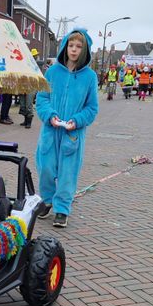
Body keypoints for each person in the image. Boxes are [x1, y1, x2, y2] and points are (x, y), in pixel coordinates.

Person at [35, 29, 99, 228]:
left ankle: (62, 208)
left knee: (67, 173)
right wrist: (50, 115)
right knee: (45, 167)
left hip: (72, 135)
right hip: (50, 130)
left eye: (79, 46)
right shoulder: (52, 72)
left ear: (84, 50)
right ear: (65, 47)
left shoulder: (90, 77)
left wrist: (77, 120)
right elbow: (42, 98)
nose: (74, 50)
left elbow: (92, 108)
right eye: (71, 45)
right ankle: (46, 201)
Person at [18, 49, 40, 128]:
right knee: (23, 104)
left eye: (35, 56)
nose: (35, 57)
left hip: (31, 87)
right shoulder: (25, 64)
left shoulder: (36, 66)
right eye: (34, 56)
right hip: (23, 86)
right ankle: (25, 120)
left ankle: (29, 122)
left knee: (28, 104)